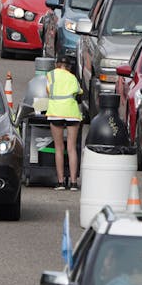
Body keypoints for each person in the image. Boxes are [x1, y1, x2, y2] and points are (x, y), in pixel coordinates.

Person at [44, 58, 83, 190]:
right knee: (71, 148)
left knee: (59, 147)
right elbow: (79, 92)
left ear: (57, 64)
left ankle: (60, 182)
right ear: (69, 67)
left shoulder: (51, 75)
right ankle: (73, 183)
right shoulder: (73, 77)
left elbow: (48, 91)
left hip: (56, 112)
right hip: (72, 113)